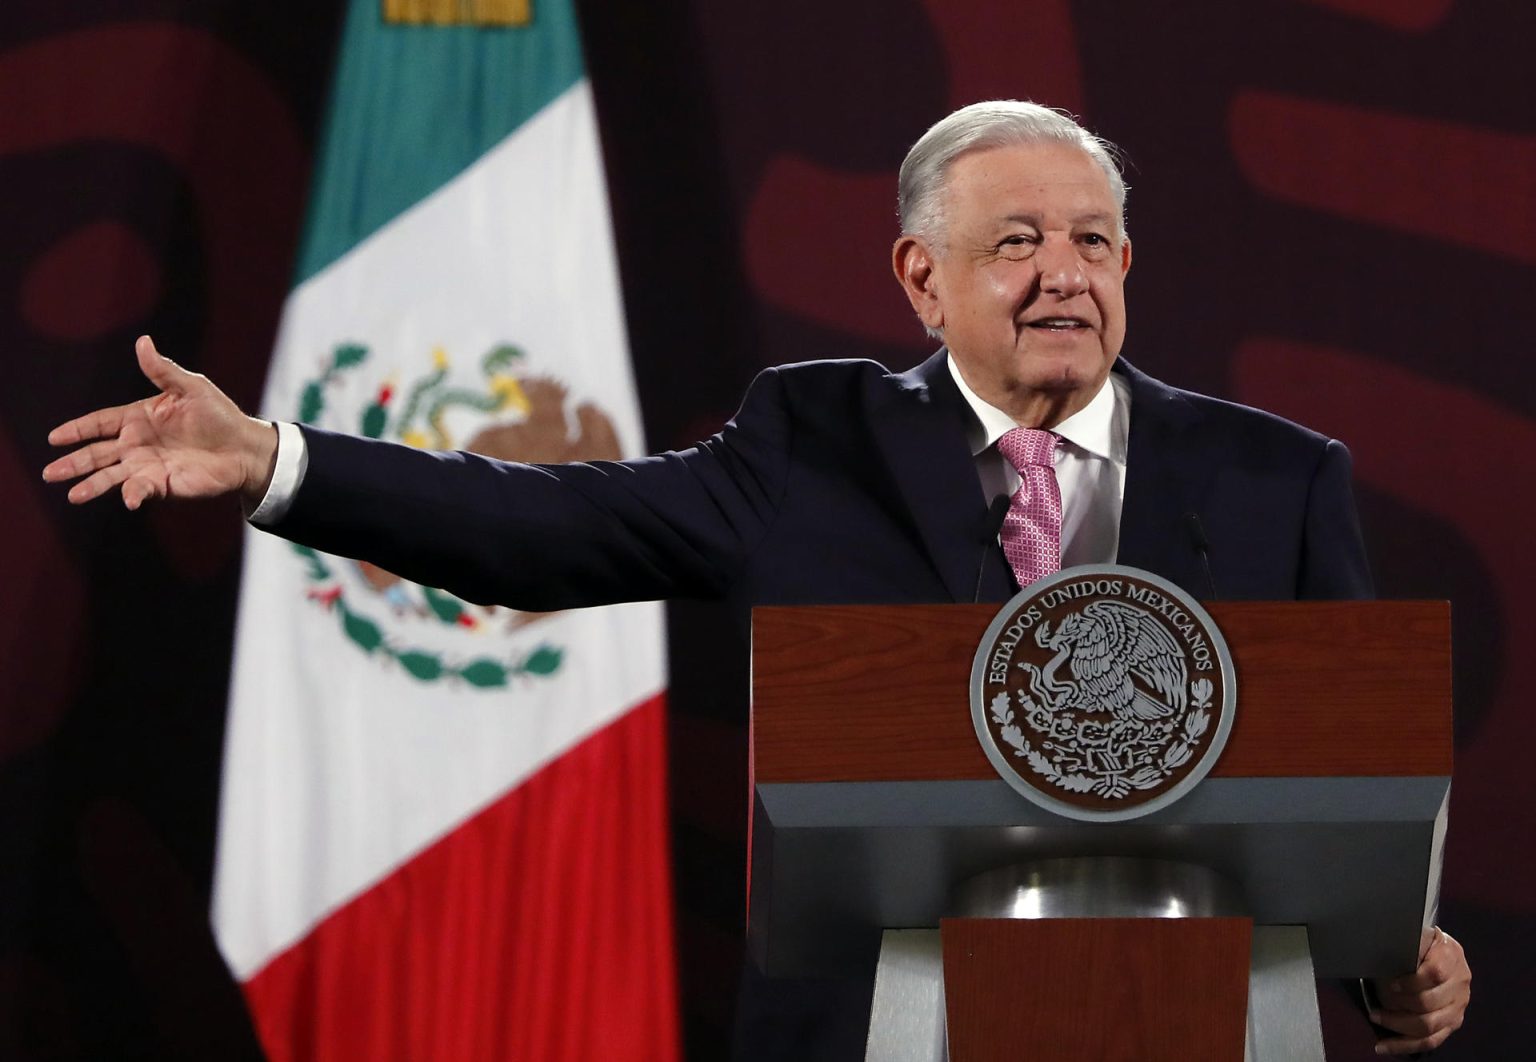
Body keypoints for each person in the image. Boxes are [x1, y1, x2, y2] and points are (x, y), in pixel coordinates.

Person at [44, 100, 1469, 1054]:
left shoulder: (1279, 478)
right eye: (1015, 242)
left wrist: (1389, 960)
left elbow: (1342, 772)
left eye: (1092, 240)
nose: (1062, 276)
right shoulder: (813, 440)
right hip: (874, 1026)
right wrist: (279, 460)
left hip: (1194, 1022)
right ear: (921, 277)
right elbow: (548, 522)